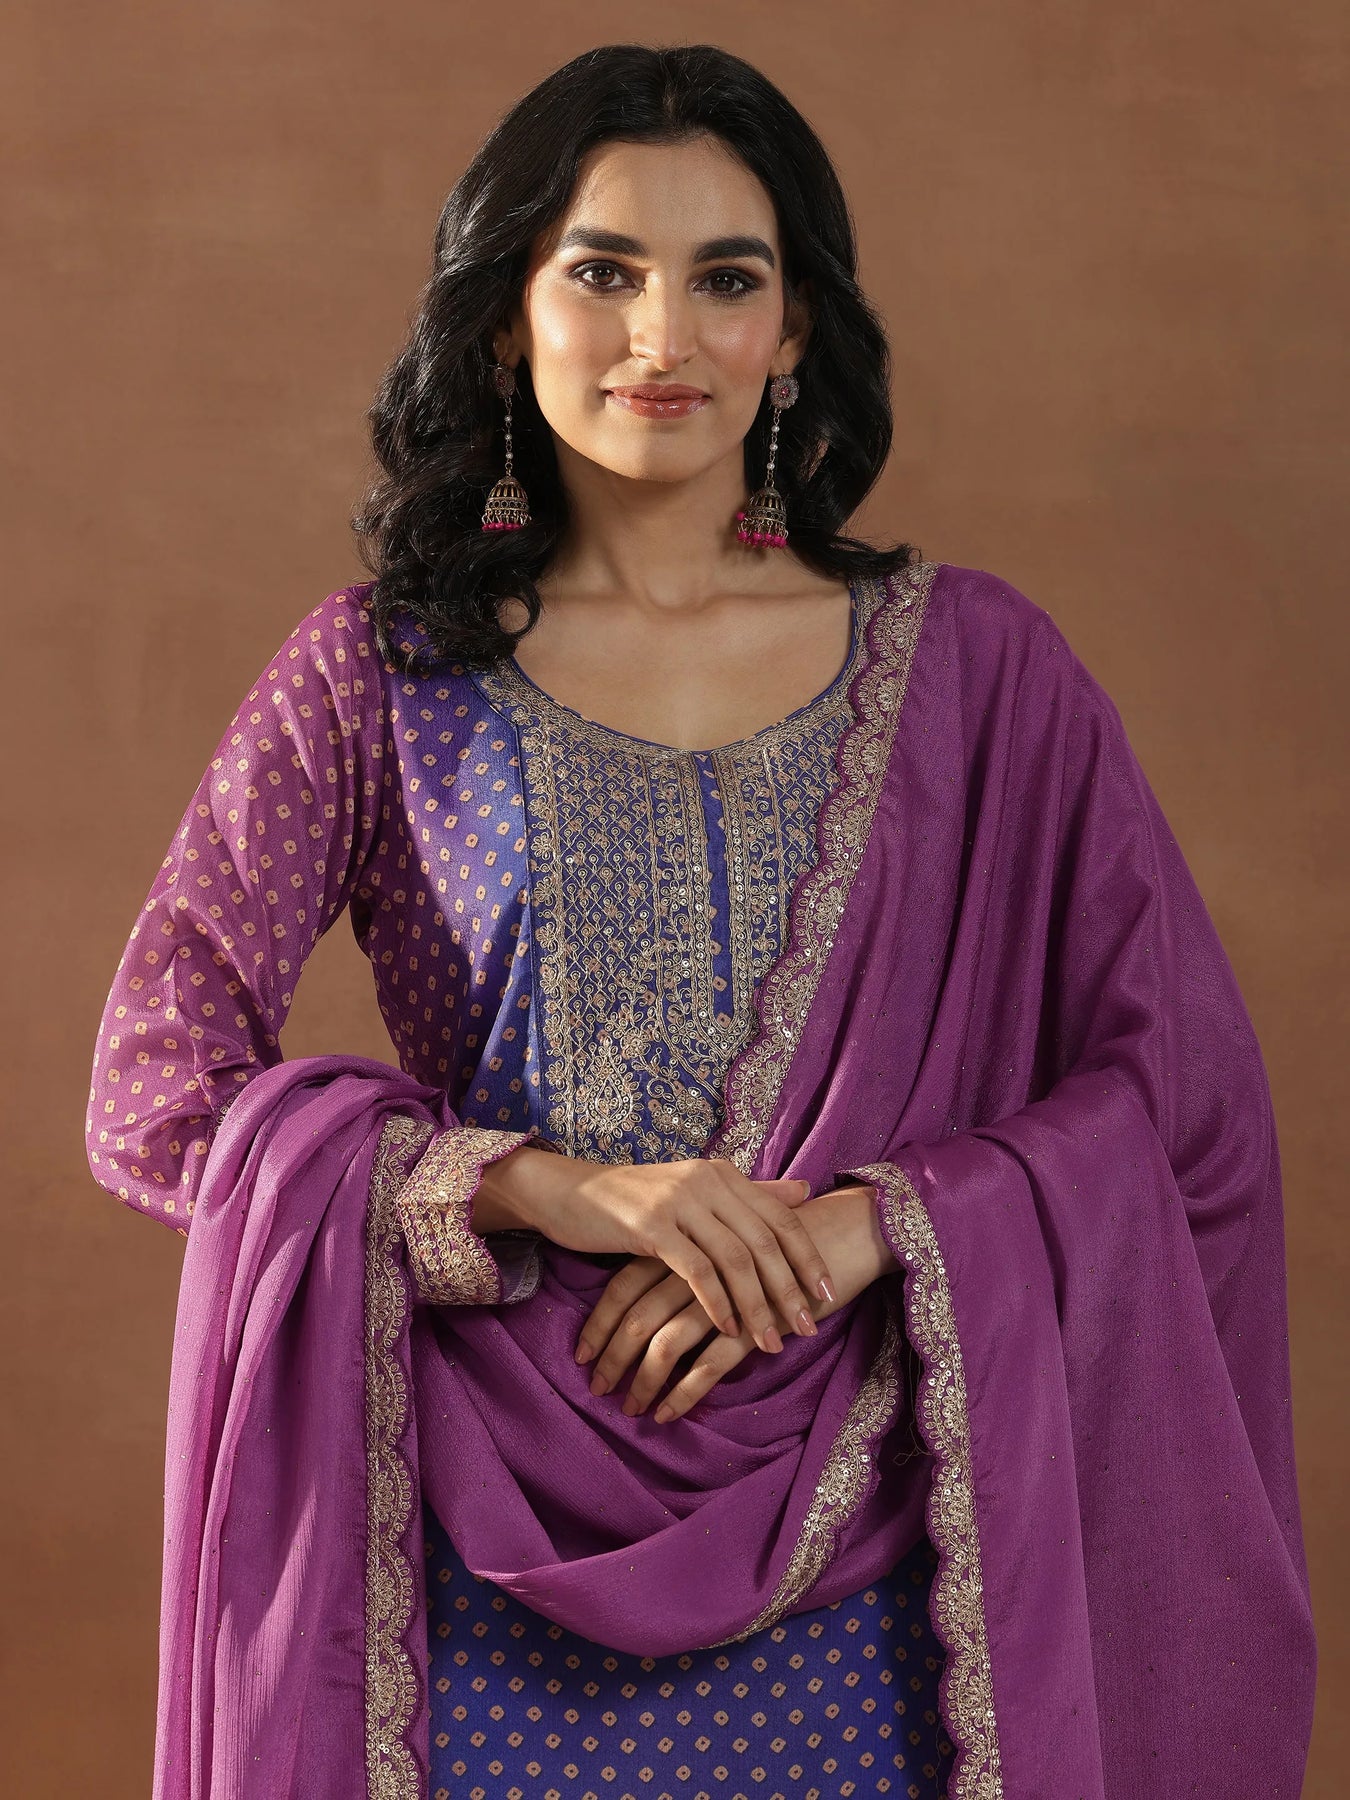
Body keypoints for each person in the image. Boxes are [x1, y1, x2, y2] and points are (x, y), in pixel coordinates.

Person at [85, 41, 1316, 1800]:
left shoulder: (982, 676)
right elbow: (154, 1089)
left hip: (882, 1529)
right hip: (480, 1555)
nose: (661, 336)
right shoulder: (375, 675)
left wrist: (881, 1228)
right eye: (602, 273)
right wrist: (546, 1188)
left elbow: (1179, 1107)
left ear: (794, 329)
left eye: (725, 279)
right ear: (505, 319)